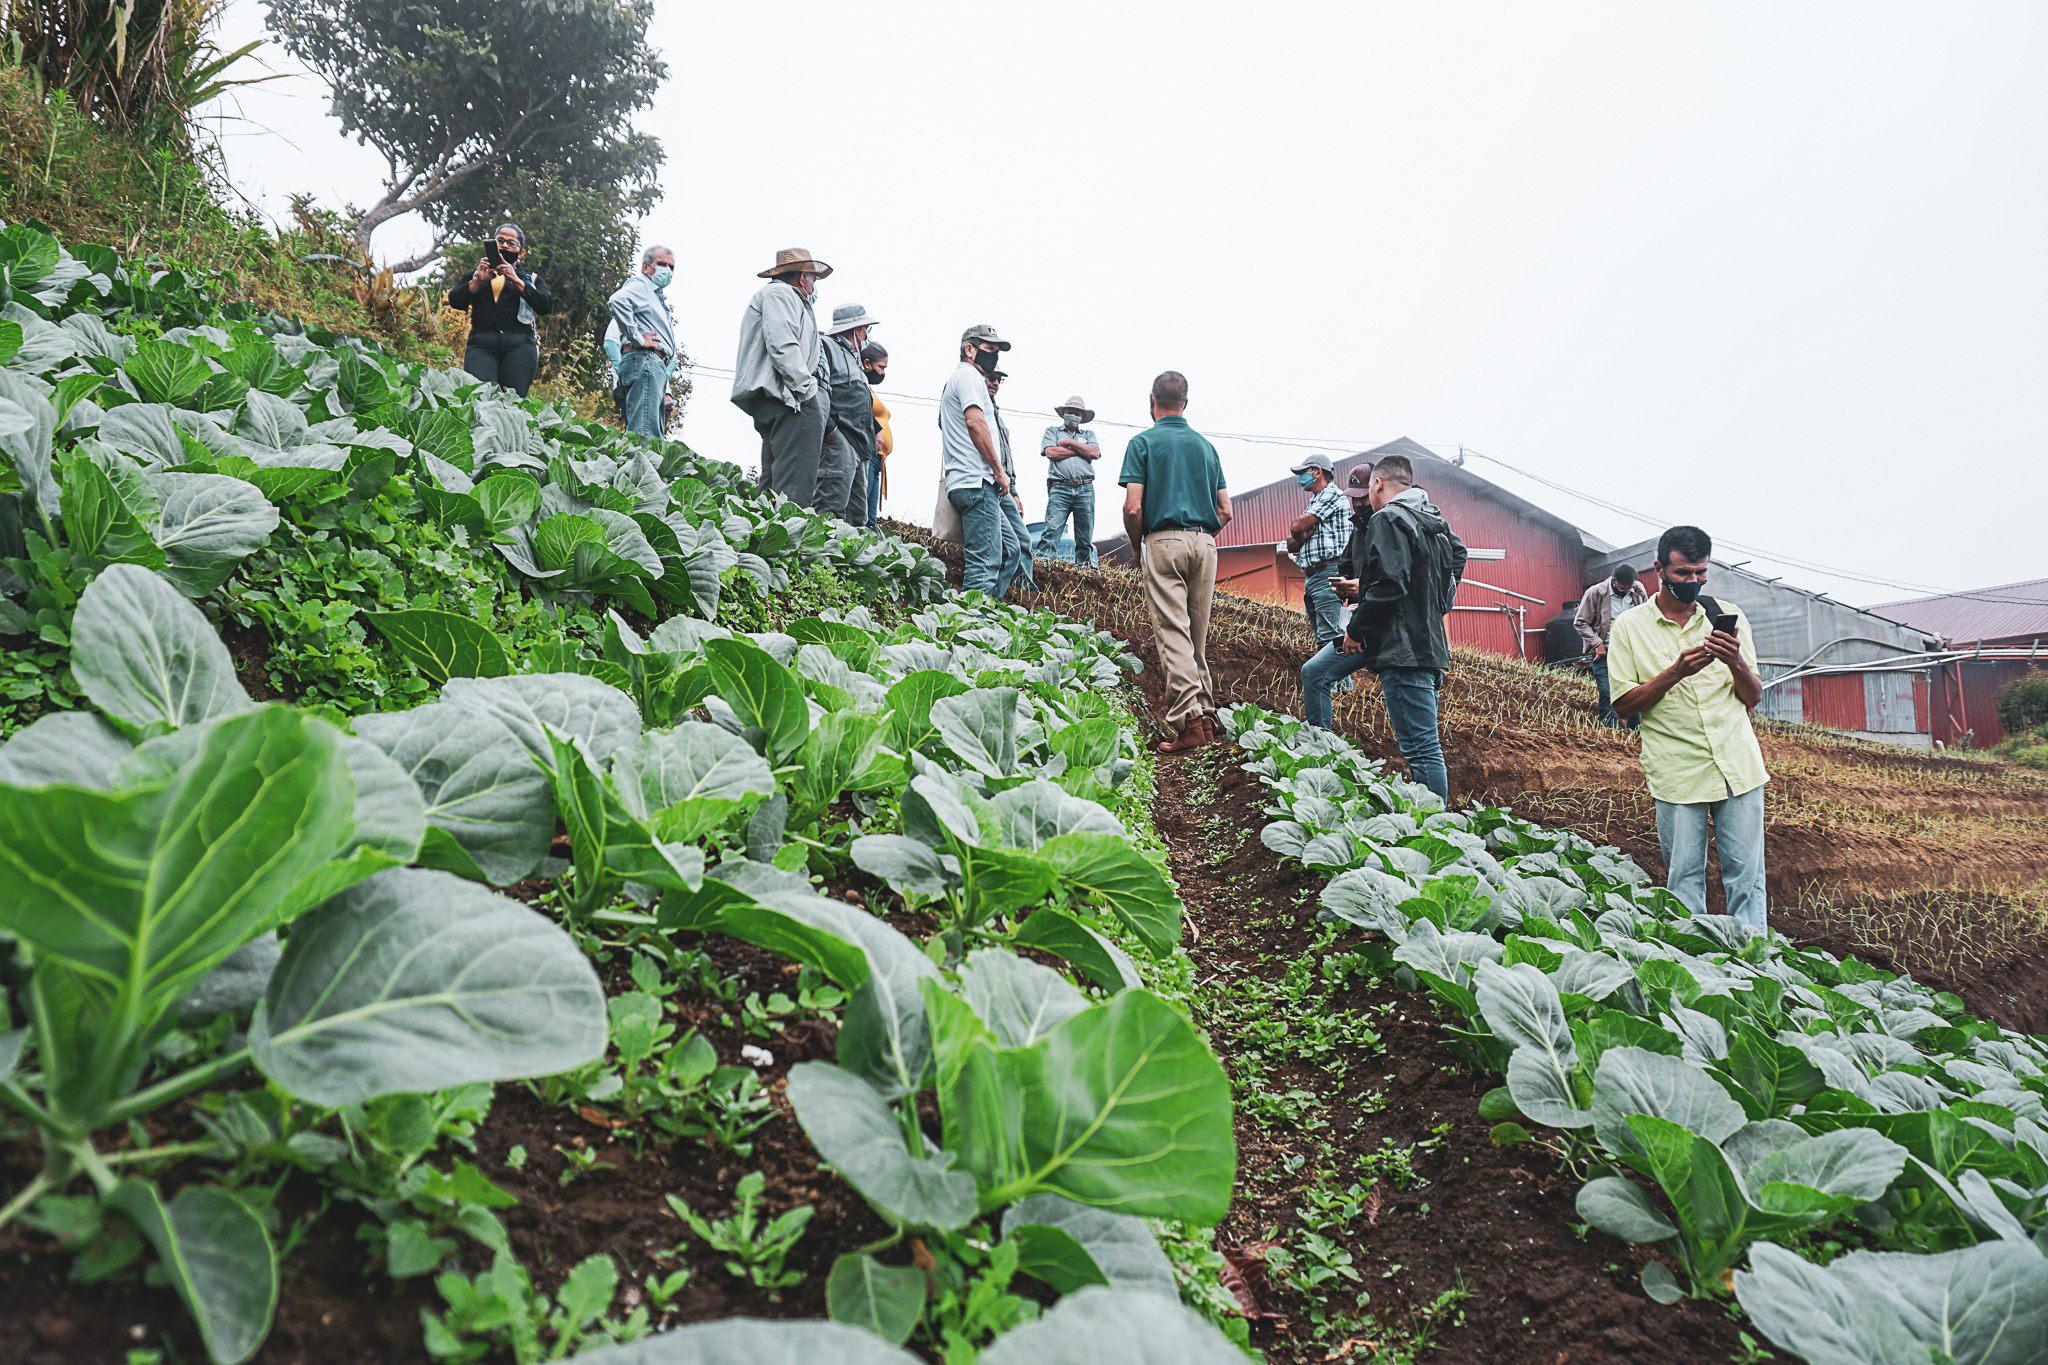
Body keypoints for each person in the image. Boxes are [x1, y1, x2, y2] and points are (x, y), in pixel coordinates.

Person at [1609, 526, 1770, 934]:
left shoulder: (1726, 616)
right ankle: (1692, 956)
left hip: (1737, 765)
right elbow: (1624, 706)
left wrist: (1735, 662)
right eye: (1683, 573)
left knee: (1747, 880)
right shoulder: (1628, 627)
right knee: (1683, 880)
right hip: (1678, 770)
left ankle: (1753, 955)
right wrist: (1676, 672)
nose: (1693, 581)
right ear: (1659, 568)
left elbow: (1752, 697)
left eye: (1701, 572)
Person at [1321, 455, 1467, 803]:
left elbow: (1390, 585)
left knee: (1421, 749)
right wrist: (1438, 600)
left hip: (1403, 651)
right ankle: (1436, 823)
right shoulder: (1431, 519)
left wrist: (1356, 630)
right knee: (1426, 747)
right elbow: (1451, 561)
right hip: (1430, 648)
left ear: (1378, 483)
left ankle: (1434, 826)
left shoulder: (1388, 518)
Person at [1120, 371, 1231, 754]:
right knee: (1196, 638)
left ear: (1152, 400)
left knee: (1173, 633)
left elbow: (1133, 507)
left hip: (1163, 540)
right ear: (1186, 403)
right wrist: (1201, 536)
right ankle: (1207, 717)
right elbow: (1226, 510)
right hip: (1205, 543)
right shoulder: (1206, 447)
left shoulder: (1142, 443)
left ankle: (1190, 724)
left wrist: (1137, 548)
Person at [731, 248, 830, 508]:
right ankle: (785, 532)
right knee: (794, 489)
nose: (814, 285)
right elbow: (782, 343)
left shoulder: (776, 295)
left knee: (774, 484)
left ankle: (766, 531)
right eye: (813, 278)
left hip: (779, 396)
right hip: (790, 398)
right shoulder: (782, 294)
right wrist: (806, 390)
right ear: (802, 278)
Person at [1298, 462, 1375, 726]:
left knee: (1417, 737)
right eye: (1354, 499)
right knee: (1314, 670)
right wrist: (1349, 589)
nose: (1358, 504)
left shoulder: (1392, 526)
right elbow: (1346, 564)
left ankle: (1343, 690)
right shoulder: (1359, 529)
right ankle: (1320, 742)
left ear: (1379, 490)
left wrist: (1363, 588)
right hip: (1365, 619)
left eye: (1363, 498)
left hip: (1387, 629)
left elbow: (1393, 584)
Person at [939, 325, 1012, 594]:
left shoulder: (960, 379)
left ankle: (990, 610)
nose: (994, 356)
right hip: (976, 482)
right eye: (989, 349)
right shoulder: (969, 376)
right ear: (969, 349)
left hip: (971, 481)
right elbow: (975, 423)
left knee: (1011, 548)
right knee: (984, 564)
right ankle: (973, 618)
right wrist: (998, 470)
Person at [449, 224, 554, 397]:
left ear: (521, 253)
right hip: (481, 344)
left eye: (511, 243)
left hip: (520, 345)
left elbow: (545, 305)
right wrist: (477, 281)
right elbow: (455, 301)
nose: (504, 245)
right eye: (500, 240)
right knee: (479, 397)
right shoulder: (476, 275)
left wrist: (515, 279)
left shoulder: (532, 279)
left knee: (513, 400)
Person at [607, 243, 676, 437]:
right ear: (646, 267)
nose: (667, 270)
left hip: (653, 366)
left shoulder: (656, 297)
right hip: (645, 360)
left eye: (671, 267)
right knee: (645, 434)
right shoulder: (641, 285)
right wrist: (637, 338)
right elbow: (617, 300)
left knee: (650, 433)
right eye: (661, 264)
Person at [818, 303, 878, 524]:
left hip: (860, 446)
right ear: (855, 328)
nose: (866, 335)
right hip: (840, 441)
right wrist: (832, 433)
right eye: (865, 329)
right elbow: (817, 389)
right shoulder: (826, 346)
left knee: (857, 517)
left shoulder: (855, 359)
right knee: (830, 510)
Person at [1285, 453, 1350, 652]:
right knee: (1324, 637)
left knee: (1329, 639)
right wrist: (1302, 534)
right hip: (1315, 575)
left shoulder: (1331, 494)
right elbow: (1291, 544)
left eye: (1303, 472)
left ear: (1317, 472)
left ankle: (1337, 674)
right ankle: (1334, 673)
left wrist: (1302, 532)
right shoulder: (1316, 500)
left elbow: (1297, 528)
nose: (1300, 478)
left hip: (1327, 573)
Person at [1575, 565, 1648, 728]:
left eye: (1629, 587)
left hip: (1631, 653)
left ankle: (1636, 731)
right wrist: (1597, 643)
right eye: (1623, 587)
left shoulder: (1637, 589)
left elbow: (1646, 617)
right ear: (1614, 582)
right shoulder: (1595, 593)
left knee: (1634, 691)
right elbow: (1580, 622)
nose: (1626, 590)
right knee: (1607, 692)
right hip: (1605, 652)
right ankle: (1610, 733)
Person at [1036, 396, 1102, 565]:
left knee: (1085, 537)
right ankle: (1042, 568)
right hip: (1059, 488)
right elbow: (1051, 452)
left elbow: (1095, 453)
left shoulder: (1089, 434)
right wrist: (1081, 450)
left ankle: (1085, 573)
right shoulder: (1052, 431)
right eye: (1070, 412)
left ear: (1082, 417)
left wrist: (1067, 443)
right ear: (1063, 413)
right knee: (1051, 531)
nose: (1073, 415)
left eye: (1077, 413)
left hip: (1085, 488)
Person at [986, 369, 1035, 595]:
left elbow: (1006, 457)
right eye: (991, 378)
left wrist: (1014, 491)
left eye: (999, 379)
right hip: (987, 482)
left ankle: (1022, 592)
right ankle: (999, 594)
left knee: (1023, 539)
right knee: (1003, 545)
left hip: (1004, 486)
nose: (995, 383)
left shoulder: (997, 417)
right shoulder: (978, 411)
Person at [862, 342, 891, 525]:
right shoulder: (861, 387)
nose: (883, 373)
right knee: (862, 515)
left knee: (870, 520)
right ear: (867, 363)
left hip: (878, 460)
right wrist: (877, 430)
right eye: (881, 367)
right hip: (869, 454)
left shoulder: (869, 389)